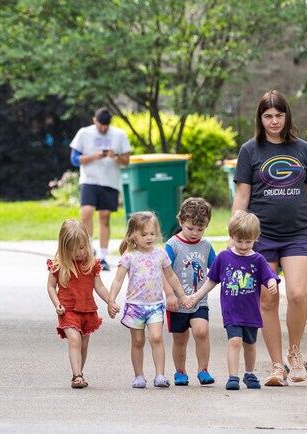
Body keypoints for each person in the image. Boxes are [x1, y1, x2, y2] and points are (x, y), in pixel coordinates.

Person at [231, 90, 307, 386]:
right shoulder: (250, 150)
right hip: (260, 237)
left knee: (298, 294)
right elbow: (242, 195)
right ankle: (276, 366)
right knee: (268, 298)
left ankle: (295, 352)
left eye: (278, 115)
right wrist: (235, 233)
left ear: (286, 116)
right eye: (268, 116)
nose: (274, 121)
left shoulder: (302, 149)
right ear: (260, 118)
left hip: (297, 233)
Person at [183, 210, 279, 390]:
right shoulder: (224, 257)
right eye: (239, 240)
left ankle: (249, 373)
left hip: (251, 312)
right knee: (234, 341)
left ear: (256, 238)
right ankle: (233, 376)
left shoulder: (258, 259)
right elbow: (211, 280)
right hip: (232, 311)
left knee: (250, 344)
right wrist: (196, 297)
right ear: (231, 236)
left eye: (248, 241)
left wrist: (272, 282)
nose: (243, 246)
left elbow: (270, 276)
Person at [107, 211, 191, 388]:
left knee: (156, 337)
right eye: (144, 234)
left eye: (152, 234)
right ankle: (139, 376)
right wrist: (111, 299)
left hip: (155, 305)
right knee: (137, 341)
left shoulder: (160, 254)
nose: (149, 237)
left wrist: (181, 295)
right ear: (133, 235)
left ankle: (160, 375)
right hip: (135, 306)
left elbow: (171, 276)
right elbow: (118, 280)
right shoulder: (128, 257)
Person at [46, 219, 117, 389]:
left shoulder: (91, 264)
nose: (78, 252)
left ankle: (80, 372)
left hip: (87, 310)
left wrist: (110, 301)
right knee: (75, 340)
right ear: (64, 248)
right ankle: (76, 376)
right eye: (72, 249)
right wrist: (57, 304)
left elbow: (98, 286)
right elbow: (50, 286)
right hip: (68, 310)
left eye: (82, 247)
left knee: (84, 344)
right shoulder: (58, 265)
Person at [69, 107, 132, 271]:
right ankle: (89, 249)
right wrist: (93, 157)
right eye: (100, 125)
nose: (103, 129)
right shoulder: (84, 133)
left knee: (104, 217)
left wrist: (115, 156)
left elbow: (126, 161)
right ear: (94, 120)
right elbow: (74, 159)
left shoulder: (119, 135)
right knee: (86, 213)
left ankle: (103, 256)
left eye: (106, 126)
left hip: (109, 181)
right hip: (89, 180)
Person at [164, 197, 217, 386]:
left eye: (200, 229)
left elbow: (216, 267)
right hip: (177, 302)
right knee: (180, 339)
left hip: (198, 300)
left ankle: (203, 369)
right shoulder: (172, 245)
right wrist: (170, 295)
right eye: (190, 228)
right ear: (181, 222)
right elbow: (165, 271)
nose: (195, 233)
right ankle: (180, 371)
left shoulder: (206, 246)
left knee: (201, 332)